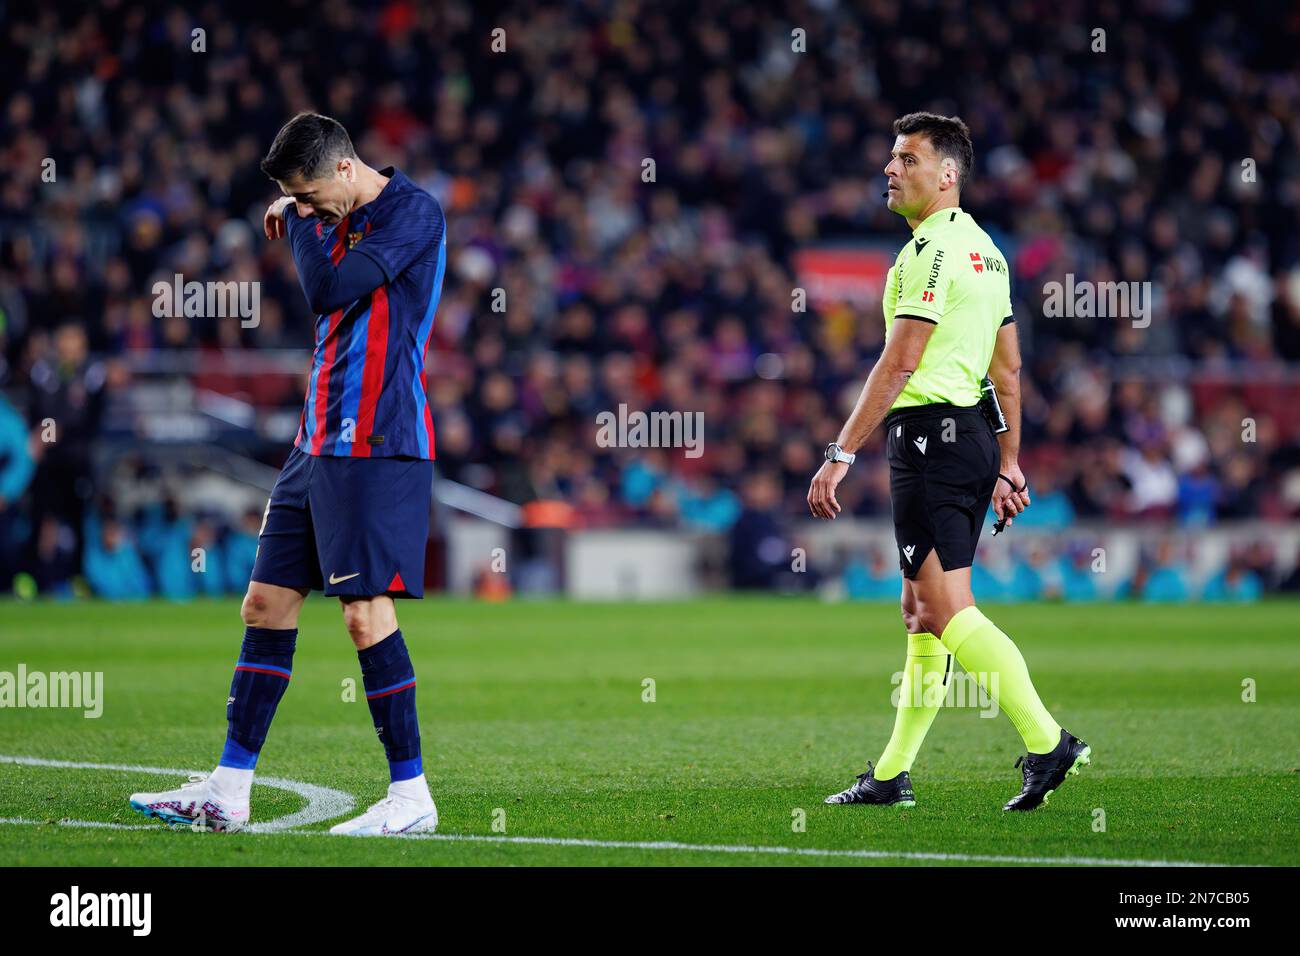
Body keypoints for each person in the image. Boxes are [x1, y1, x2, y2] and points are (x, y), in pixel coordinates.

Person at [130, 113, 447, 835]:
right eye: (293, 200)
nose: (301, 209)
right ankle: (229, 787)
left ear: (343, 168)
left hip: (377, 440)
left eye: (307, 194)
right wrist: (304, 214)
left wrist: (298, 223)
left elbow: (333, 290)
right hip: (315, 443)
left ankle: (410, 795)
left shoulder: (412, 213)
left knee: (365, 614)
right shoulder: (329, 211)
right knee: (265, 606)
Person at [807, 113, 1089, 812]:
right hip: (967, 438)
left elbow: (901, 360)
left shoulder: (930, 252)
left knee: (945, 606)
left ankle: (1048, 740)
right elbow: (1011, 369)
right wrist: (1011, 461)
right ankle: (893, 774)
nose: (890, 170)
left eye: (905, 158)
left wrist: (839, 454)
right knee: (918, 609)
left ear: (947, 174)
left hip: (932, 439)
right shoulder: (988, 254)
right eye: (890, 158)